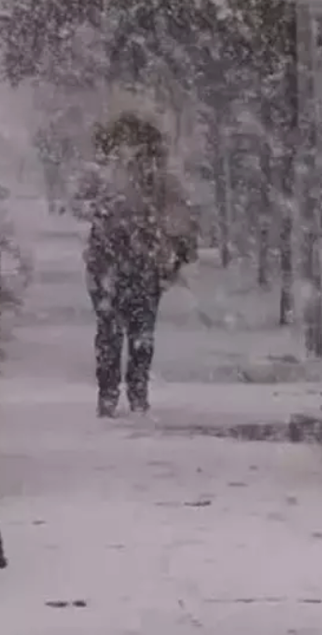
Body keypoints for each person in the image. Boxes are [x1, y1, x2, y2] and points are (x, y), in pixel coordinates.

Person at [71, 111, 197, 417]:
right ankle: (109, 393)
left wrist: (175, 253)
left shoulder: (160, 177)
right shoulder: (99, 173)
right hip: (107, 262)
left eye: (135, 141)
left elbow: (180, 215)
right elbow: (77, 203)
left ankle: (137, 391)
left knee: (141, 332)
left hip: (144, 263)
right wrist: (98, 209)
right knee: (109, 331)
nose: (128, 148)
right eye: (123, 141)